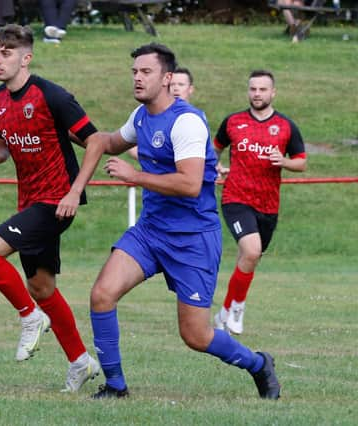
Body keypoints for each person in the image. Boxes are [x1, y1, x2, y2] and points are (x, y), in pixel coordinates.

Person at [88, 43, 281, 400]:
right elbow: (108, 141)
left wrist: (135, 176)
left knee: (196, 336)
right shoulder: (141, 116)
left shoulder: (186, 121)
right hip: (151, 232)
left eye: (146, 72)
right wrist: (66, 124)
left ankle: (258, 364)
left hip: (192, 239)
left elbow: (191, 185)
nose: (137, 78)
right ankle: (115, 387)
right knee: (102, 295)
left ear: (167, 78)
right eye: (134, 72)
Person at [0, 24, 106, 392]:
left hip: (56, 201)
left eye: (6, 53)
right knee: (42, 286)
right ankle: (80, 361)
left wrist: (74, 191)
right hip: (31, 199)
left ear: (26, 58)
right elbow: (3, 144)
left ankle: (30, 319)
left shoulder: (52, 95)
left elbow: (94, 140)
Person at [212, 70, 307, 335]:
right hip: (236, 198)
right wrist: (216, 163)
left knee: (250, 258)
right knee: (251, 251)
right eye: (253, 89)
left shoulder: (286, 126)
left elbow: (301, 161)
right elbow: (215, 147)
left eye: (262, 89)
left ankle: (224, 312)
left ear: (273, 92)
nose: (257, 94)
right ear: (248, 91)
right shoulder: (233, 121)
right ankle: (238, 308)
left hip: (268, 204)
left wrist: (285, 162)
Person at [128, 67, 195, 160]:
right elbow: (129, 145)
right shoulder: (151, 114)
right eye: (172, 84)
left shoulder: (193, 119)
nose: (176, 88)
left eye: (181, 84)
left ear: (190, 89)